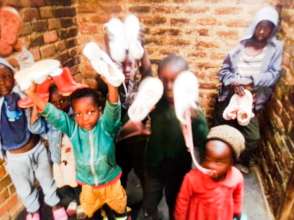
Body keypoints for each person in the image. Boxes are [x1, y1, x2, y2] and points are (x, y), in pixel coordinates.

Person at [26, 77, 127, 219]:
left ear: (99, 110)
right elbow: (53, 114)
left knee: (119, 210)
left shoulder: (107, 127)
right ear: (74, 114)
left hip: (111, 183)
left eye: (90, 112)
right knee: (91, 212)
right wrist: (32, 94)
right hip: (88, 186)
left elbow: (113, 108)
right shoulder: (73, 130)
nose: (84, 118)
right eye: (78, 113)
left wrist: (112, 84)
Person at [214, 6, 283, 173]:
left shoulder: (275, 49)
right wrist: (233, 84)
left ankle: (239, 160)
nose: (261, 31)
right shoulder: (240, 47)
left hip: (251, 100)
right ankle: (220, 159)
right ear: (254, 25)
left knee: (252, 137)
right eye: (259, 26)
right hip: (231, 96)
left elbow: (273, 75)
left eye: (267, 28)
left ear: (273, 30)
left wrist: (250, 83)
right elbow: (223, 72)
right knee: (222, 128)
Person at [139, 54, 209, 219]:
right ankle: (152, 214)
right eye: (164, 80)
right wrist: (144, 112)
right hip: (154, 164)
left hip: (179, 167)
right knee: (149, 201)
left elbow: (202, 140)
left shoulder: (191, 109)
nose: (169, 86)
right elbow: (137, 120)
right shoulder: (155, 101)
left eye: (175, 81)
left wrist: (196, 120)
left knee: (176, 202)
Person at [0, 58, 67, 220]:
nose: (2, 82)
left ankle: (55, 203)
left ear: (14, 76)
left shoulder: (22, 94)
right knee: (23, 187)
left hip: (36, 148)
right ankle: (32, 210)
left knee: (47, 178)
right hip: (15, 157)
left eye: (6, 76)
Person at [174, 125, 245, 220]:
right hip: (198, 215)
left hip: (222, 215)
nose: (211, 165)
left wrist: (237, 211)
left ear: (231, 162)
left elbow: (238, 194)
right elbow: (182, 200)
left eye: (218, 162)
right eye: (207, 158)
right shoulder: (192, 178)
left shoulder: (236, 177)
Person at [46, 84, 82, 217]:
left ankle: (81, 202)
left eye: (62, 101)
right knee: (62, 182)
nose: (58, 106)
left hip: (72, 158)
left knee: (76, 181)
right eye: (53, 103)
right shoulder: (49, 118)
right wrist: (34, 110)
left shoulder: (74, 117)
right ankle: (72, 200)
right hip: (58, 158)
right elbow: (35, 129)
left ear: (69, 99)